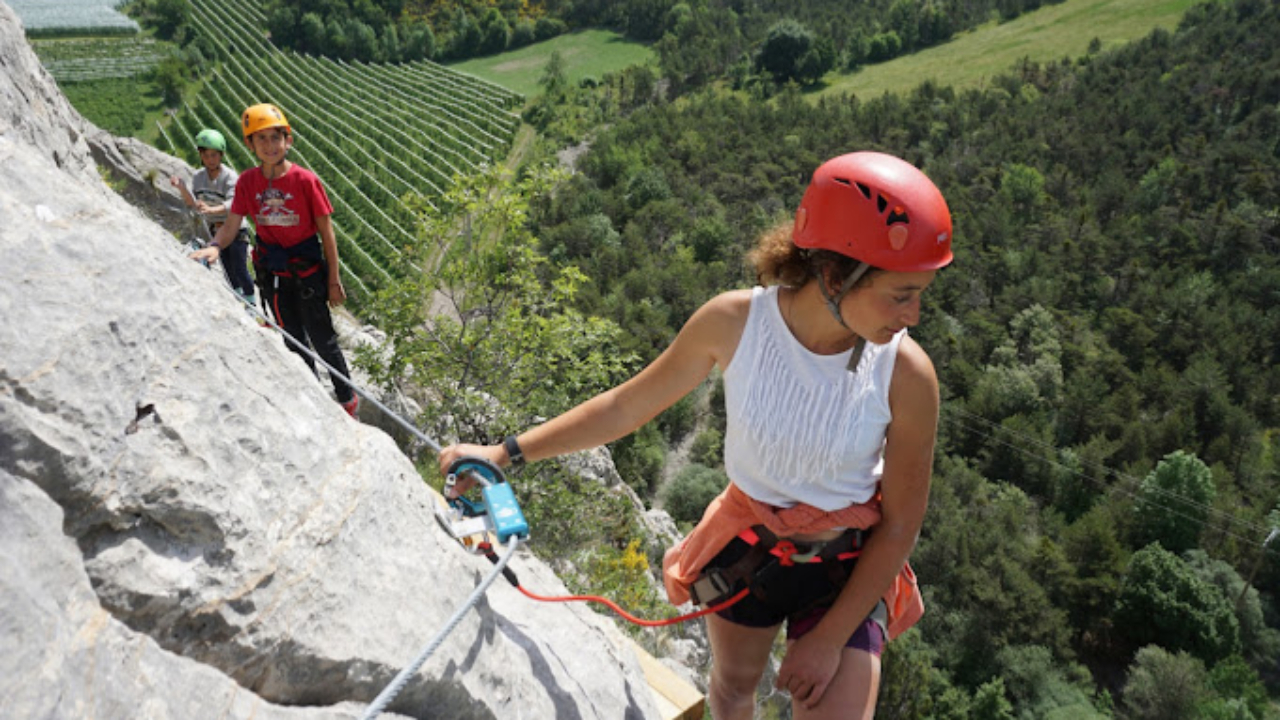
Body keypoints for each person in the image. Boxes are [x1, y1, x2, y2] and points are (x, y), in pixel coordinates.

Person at [437, 151, 952, 719]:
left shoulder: (906, 374)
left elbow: (901, 523)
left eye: (920, 293)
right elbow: (625, 406)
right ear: (836, 274)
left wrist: (830, 640)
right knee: (732, 690)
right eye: (902, 294)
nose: (915, 314)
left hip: (847, 566)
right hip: (749, 548)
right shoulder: (735, 324)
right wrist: (505, 452)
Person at [190, 103, 359, 419]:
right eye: (261, 139)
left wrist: (334, 280)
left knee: (324, 342)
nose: (269, 146)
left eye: (275, 138)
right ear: (249, 145)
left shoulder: (306, 181)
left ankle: (348, 401)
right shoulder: (248, 183)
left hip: (307, 274)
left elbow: (327, 233)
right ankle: (314, 402)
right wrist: (214, 246)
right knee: (294, 341)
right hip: (275, 276)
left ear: (288, 141)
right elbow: (232, 223)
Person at [169, 128, 256, 302]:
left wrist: (211, 210)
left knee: (239, 267)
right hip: (216, 232)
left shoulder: (230, 177)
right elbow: (193, 204)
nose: (210, 160)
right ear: (201, 155)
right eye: (206, 155)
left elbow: (235, 203)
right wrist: (182, 188)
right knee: (227, 269)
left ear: (221, 155)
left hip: (235, 230)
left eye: (214, 155)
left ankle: (251, 301)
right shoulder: (198, 177)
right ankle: (239, 298)